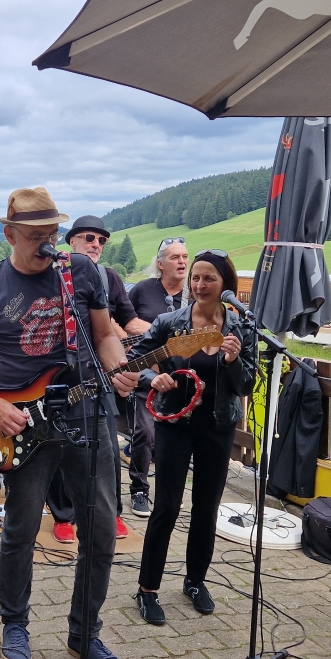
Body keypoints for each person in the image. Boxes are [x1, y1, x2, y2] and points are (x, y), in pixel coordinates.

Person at [0, 187, 131, 659]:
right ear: (9, 234)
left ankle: (84, 632)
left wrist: (120, 367)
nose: (46, 244)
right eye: (34, 236)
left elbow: (105, 335)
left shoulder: (81, 271)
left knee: (100, 529)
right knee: (21, 529)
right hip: (21, 421)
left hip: (86, 412)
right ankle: (15, 625)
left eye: (52, 233)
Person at [115, 249, 256, 622]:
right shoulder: (169, 322)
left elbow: (246, 385)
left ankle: (195, 582)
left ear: (225, 284)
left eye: (209, 278)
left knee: (206, 509)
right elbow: (136, 362)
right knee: (166, 507)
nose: (199, 284)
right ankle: (147, 589)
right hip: (174, 426)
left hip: (217, 427)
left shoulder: (241, 328)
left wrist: (232, 361)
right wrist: (153, 378)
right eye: (196, 277)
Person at [44, 215, 149, 544]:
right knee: (58, 445)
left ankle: (111, 513)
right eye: (89, 238)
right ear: (72, 241)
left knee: (107, 448)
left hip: (97, 376)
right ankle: (63, 515)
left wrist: (168, 329)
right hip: (57, 374)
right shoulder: (51, 273)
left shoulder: (109, 277)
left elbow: (130, 322)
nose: (96, 244)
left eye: (102, 240)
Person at [124, 238, 190, 518]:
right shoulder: (143, 289)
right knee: (145, 432)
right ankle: (139, 489)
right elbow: (119, 321)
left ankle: (168, 492)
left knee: (175, 438)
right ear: (161, 264)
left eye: (185, 257)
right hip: (147, 373)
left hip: (179, 378)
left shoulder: (191, 295)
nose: (182, 262)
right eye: (175, 257)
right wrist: (129, 350)